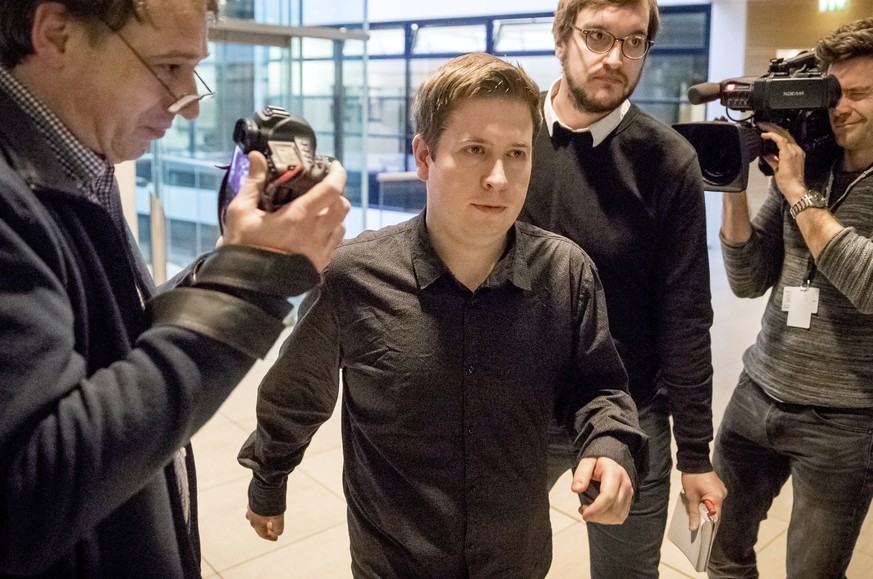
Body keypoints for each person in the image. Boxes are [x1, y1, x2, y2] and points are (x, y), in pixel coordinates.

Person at [238, 52, 649, 578]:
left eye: (517, 153)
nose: (499, 178)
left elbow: (600, 387)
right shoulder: (353, 276)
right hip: (395, 563)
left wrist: (609, 444)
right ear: (425, 157)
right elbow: (297, 392)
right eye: (475, 150)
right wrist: (268, 478)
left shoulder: (565, 273)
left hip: (515, 561)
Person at [0, 0, 348, 576]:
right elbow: (29, 492)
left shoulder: (79, 161)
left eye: (194, 69)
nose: (188, 107)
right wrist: (250, 281)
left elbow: (113, 349)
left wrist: (230, 261)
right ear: (56, 34)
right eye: (167, 67)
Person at [517, 0, 728, 576]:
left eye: (633, 42)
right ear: (561, 39)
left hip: (629, 409)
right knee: (489, 558)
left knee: (627, 573)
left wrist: (695, 455)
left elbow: (685, 315)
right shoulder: (510, 136)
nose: (615, 58)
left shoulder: (667, 160)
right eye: (597, 36)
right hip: (514, 402)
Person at [708, 17, 873, 579]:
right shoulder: (814, 165)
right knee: (721, 553)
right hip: (758, 391)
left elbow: (869, 285)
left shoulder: (804, 181)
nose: (840, 108)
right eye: (834, 93)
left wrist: (799, 195)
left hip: (846, 422)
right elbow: (749, 279)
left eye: (859, 94)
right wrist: (732, 188)